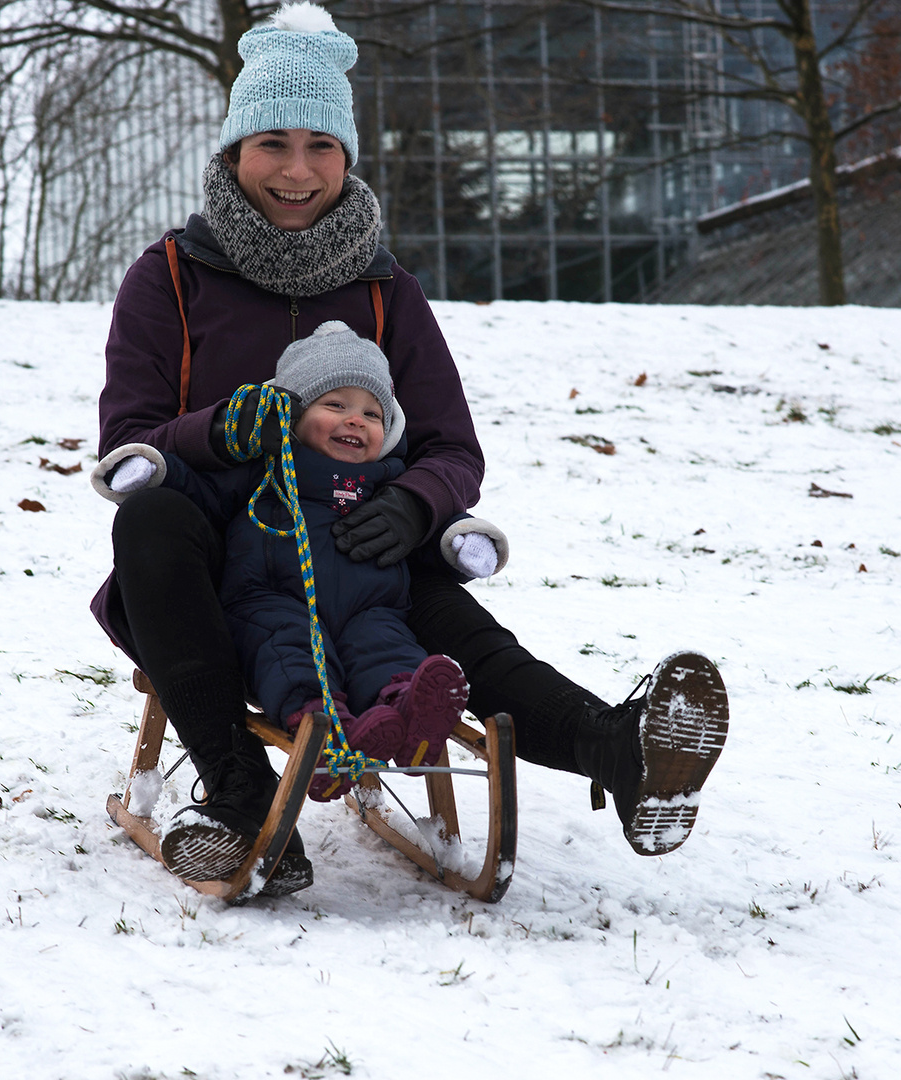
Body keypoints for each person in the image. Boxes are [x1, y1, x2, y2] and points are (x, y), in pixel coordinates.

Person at [91, 2, 729, 898]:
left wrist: (416, 503)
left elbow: (451, 446)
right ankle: (239, 803)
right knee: (149, 523)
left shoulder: (388, 291)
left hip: (356, 540)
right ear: (234, 152)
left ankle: (618, 750)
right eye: (272, 142)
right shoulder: (168, 279)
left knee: (466, 635)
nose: (297, 169)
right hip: (216, 565)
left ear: (349, 158)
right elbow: (127, 451)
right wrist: (215, 431)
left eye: (321, 145)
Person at [92, 320, 509, 822]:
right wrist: (155, 470)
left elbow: (428, 530)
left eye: (372, 413)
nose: (355, 421)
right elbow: (201, 492)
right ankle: (322, 738)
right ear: (294, 414)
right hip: (272, 601)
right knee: (286, 652)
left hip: (371, 609)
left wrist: (459, 542)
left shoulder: (388, 482)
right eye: (335, 406)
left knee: (388, 647)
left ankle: (408, 710)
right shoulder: (262, 470)